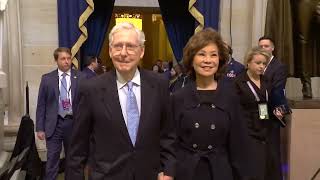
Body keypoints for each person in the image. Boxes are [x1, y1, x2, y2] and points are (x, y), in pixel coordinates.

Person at [66, 22, 175, 180]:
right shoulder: (91, 89)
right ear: (110, 51)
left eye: (130, 46)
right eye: (118, 46)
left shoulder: (159, 85)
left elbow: (168, 135)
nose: (123, 53)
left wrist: (169, 171)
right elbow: (77, 150)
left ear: (142, 51)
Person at [171, 28, 251, 180]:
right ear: (191, 59)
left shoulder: (231, 97)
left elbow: (239, 147)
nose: (207, 60)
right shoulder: (178, 97)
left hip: (220, 172)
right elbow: (170, 144)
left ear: (220, 59)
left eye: (213, 55)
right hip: (186, 172)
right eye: (201, 54)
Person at [234, 47, 284, 180]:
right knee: (252, 168)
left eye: (264, 64)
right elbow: (235, 109)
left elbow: (269, 101)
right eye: (258, 63)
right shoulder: (238, 82)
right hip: (247, 129)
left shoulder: (266, 80)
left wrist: (277, 111)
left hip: (265, 126)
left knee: (268, 166)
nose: (262, 67)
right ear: (248, 62)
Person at [36, 47, 82, 180]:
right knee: (52, 160)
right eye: (63, 59)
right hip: (53, 125)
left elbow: (86, 102)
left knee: (73, 160)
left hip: (73, 123)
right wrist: (40, 128)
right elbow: (41, 105)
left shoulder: (80, 77)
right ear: (56, 60)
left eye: (69, 58)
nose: (67, 61)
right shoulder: (47, 79)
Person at [258, 36, 290, 115]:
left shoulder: (279, 67)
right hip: (260, 106)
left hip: (274, 108)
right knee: (260, 125)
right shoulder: (256, 65)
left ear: (272, 48)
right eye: (260, 46)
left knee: (267, 126)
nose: (263, 48)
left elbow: (276, 89)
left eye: (266, 46)